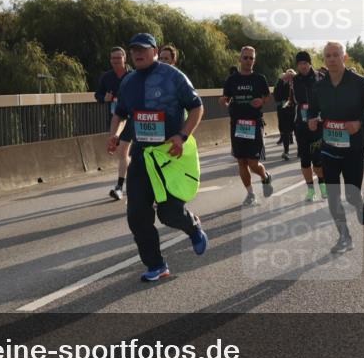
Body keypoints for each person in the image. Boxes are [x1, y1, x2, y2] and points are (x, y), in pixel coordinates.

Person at [107, 33, 208, 282]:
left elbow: (197, 106)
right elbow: (120, 113)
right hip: (142, 156)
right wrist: (114, 134)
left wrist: (182, 135)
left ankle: (192, 226)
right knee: (137, 215)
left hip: (169, 155)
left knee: (169, 213)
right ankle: (156, 265)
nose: (138, 54)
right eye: (134, 50)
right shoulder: (128, 81)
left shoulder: (173, 77)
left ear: (155, 51)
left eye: (143, 49)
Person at [308, 42, 364, 253]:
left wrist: (359, 123)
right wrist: (312, 120)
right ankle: (345, 237)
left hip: (354, 148)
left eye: (335, 55)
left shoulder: (358, 82)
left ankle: (360, 205)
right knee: (332, 196)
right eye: (327, 56)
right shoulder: (320, 86)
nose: (331, 59)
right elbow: (313, 111)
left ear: (344, 57)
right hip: (329, 147)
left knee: (351, 195)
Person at [220, 46, 274, 206]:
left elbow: (268, 97)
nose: (248, 60)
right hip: (237, 124)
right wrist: (223, 101)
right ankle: (250, 194)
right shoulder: (232, 79)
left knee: (253, 163)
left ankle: (265, 177)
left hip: (254, 123)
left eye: (251, 58)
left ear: (254, 60)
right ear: (240, 59)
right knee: (241, 162)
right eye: (245, 57)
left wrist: (262, 101)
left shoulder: (259, 78)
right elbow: (226, 98)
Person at [95, 46, 132, 200]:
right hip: (114, 119)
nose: (116, 61)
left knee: (125, 151)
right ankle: (127, 184)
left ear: (125, 59)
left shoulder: (133, 75)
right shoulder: (107, 77)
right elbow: (98, 94)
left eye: (118, 58)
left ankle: (120, 187)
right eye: (113, 59)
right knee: (122, 154)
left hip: (133, 119)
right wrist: (105, 98)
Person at [292, 51, 327, 202]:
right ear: (297, 65)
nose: (303, 66)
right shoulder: (294, 80)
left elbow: (328, 100)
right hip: (301, 125)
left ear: (310, 63)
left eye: (305, 63)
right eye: (300, 64)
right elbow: (288, 99)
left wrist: (319, 117)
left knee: (318, 161)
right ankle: (310, 190)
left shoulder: (320, 77)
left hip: (318, 124)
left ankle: (323, 186)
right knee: (305, 160)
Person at [273, 69, 296, 160]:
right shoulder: (280, 84)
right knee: (285, 131)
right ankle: (286, 151)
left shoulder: (297, 83)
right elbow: (276, 96)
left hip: (295, 109)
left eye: (291, 76)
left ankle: (301, 150)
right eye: (287, 76)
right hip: (284, 110)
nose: (289, 78)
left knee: (298, 130)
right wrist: (281, 81)